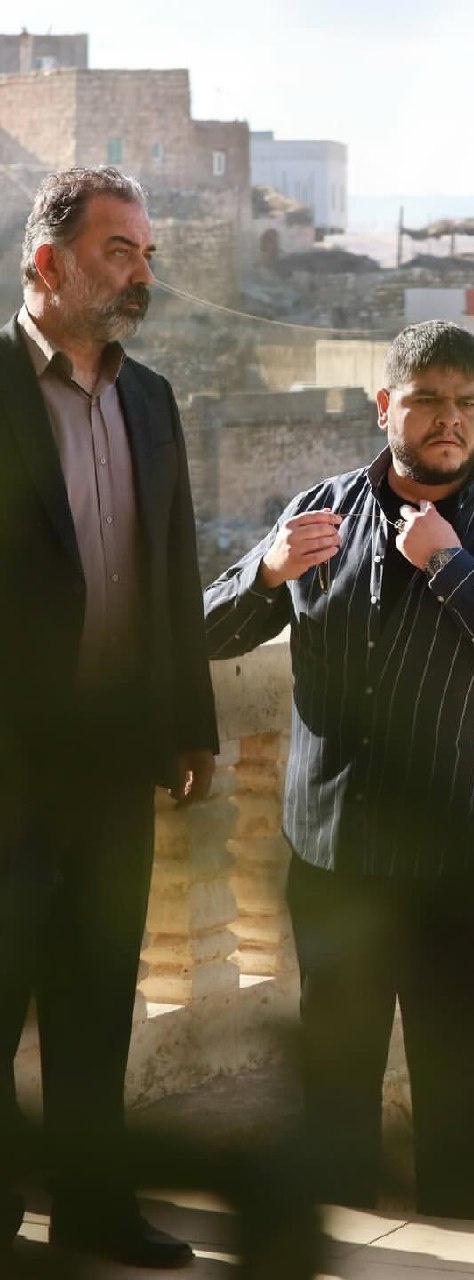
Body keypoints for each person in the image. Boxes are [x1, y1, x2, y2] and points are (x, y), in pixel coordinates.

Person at [203, 320, 474, 1219]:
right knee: (335, 1074)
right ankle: (337, 1243)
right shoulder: (323, 512)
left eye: (466, 403)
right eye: (426, 400)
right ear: (385, 405)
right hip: (333, 858)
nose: (449, 421)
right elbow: (205, 631)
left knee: (458, 1074)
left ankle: (462, 1252)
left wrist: (450, 566)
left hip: (456, 861)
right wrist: (266, 573)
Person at [0, 166, 218, 1268]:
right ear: (46, 263)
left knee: (97, 998)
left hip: (113, 764)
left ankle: (94, 1207)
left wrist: (192, 722)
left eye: (147, 254)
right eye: (118, 251)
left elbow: (172, 568)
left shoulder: (152, 398)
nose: (141, 274)